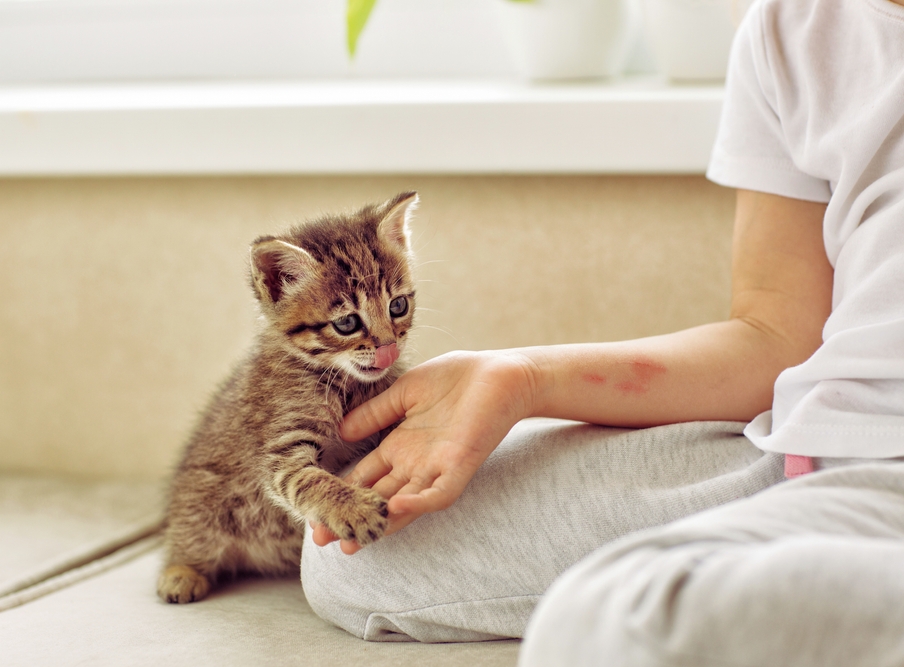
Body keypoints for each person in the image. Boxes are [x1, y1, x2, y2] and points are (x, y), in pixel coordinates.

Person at [301, 0, 904, 663]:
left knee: (615, 627)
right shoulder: (796, 24)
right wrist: (522, 377)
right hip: (824, 457)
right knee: (359, 544)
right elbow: (775, 335)